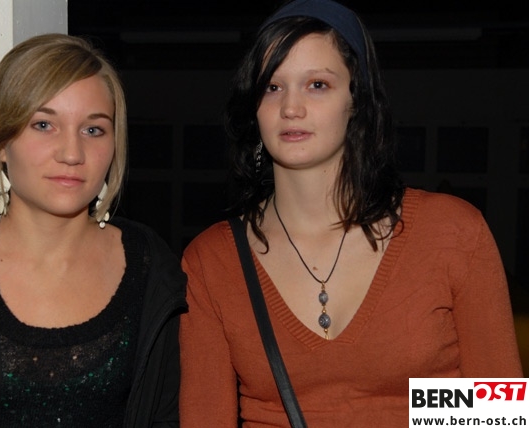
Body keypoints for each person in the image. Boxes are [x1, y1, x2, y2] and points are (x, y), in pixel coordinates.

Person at [179, 0, 523, 426]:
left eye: (317, 84)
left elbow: (497, 414)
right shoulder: (213, 261)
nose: (291, 107)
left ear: (357, 100)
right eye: (272, 86)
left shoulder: (451, 233)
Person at [0, 33, 187, 427]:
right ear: (1, 142)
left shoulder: (152, 268)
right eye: (44, 124)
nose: (72, 153)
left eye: (93, 130)